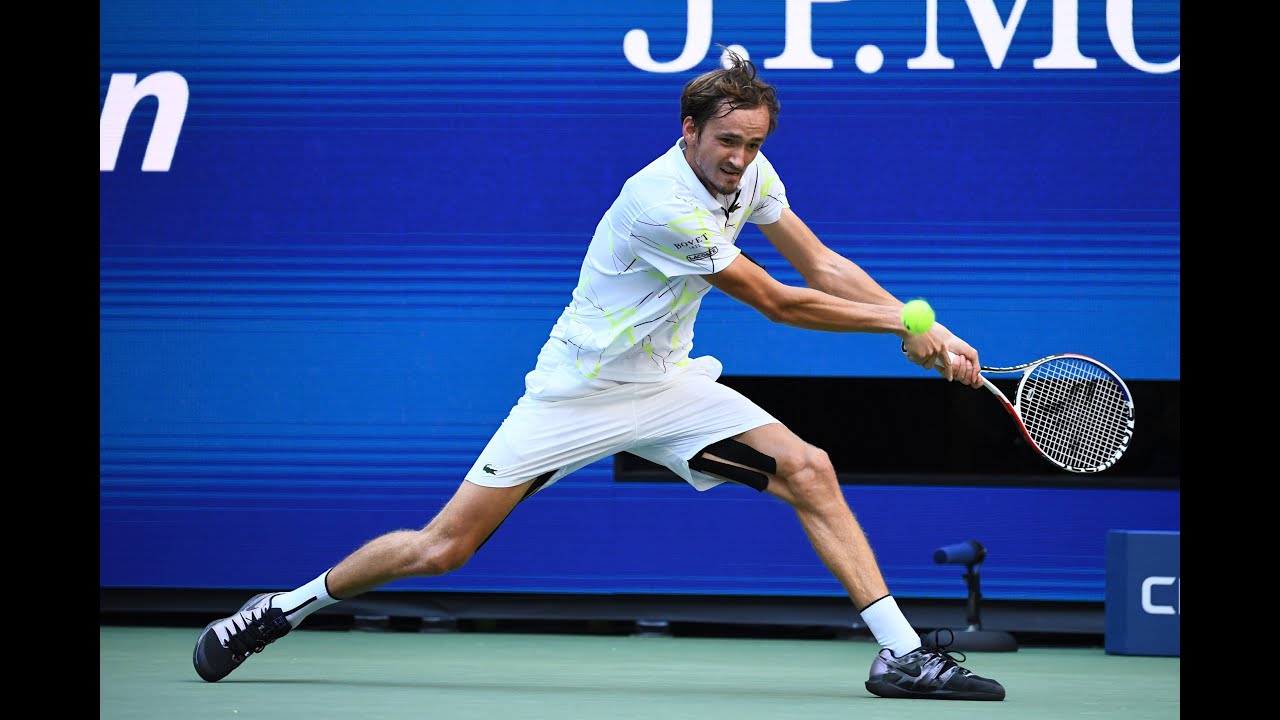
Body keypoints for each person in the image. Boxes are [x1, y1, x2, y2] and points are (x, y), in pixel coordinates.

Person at [192, 50, 1005, 702]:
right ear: (689, 130)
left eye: (755, 145)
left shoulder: (751, 178)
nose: (741, 159)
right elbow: (777, 301)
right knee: (443, 550)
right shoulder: (659, 202)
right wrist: (907, 326)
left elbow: (820, 263)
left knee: (808, 469)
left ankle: (900, 654)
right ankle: (281, 609)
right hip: (577, 395)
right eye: (728, 142)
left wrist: (921, 327)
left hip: (669, 385)